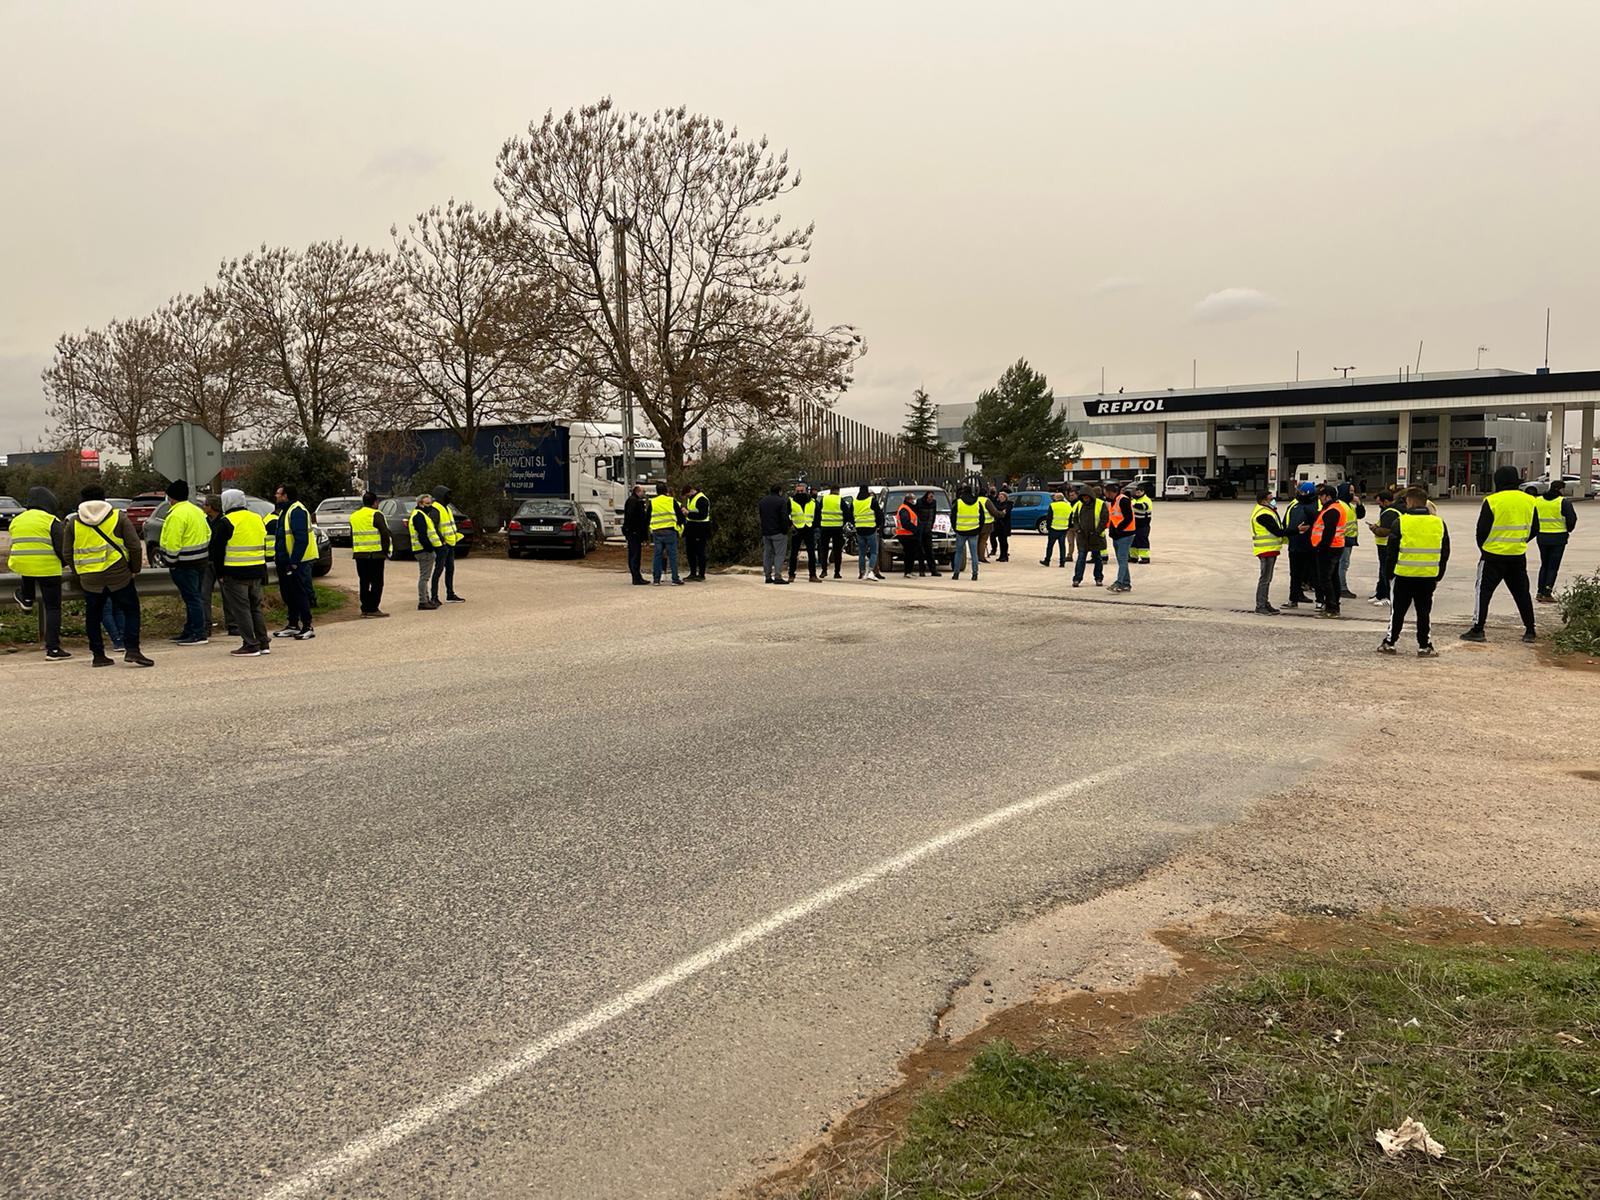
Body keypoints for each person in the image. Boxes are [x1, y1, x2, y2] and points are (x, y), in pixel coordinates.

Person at [68, 484, 151, 667]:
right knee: (131, 610)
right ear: (104, 498)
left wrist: (79, 572)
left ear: (82, 500)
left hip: (90, 579)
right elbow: (135, 546)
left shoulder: (74, 522)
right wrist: (134, 569)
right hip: (119, 575)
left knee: (93, 616)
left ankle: (98, 656)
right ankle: (132, 650)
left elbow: (67, 552)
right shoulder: (118, 517)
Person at [1460, 464, 1539, 643]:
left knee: (1483, 592)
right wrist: (1520, 540)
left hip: (1492, 556)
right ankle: (1530, 630)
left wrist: (1485, 549)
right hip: (1517, 555)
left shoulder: (1492, 500)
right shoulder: (1529, 500)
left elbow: (1481, 530)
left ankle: (1478, 629)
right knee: (1522, 593)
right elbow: (1535, 528)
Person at [1377, 486, 1449, 657]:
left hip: (1403, 574)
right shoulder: (1439, 523)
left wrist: (1388, 574)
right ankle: (1424, 645)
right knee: (1424, 611)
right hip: (1428, 575)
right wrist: (1439, 574)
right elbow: (1445, 552)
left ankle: (1390, 642)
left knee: (1398, 611)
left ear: (1409, 501)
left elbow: (1391, 552)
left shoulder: (1401, 522)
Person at [7, 486, 71, 661]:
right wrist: (65, 563)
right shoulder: (51, 521)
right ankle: (53, 649)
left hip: (23, 565)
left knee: (28, 571)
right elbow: (61, 548)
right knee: (53, 608)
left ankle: (27, 599)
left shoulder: (17, 520)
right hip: (48, 569)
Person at [211, 488, 271, 656]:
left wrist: (220, 573)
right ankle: (263, 642)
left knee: (241, 609)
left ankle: (250, 644)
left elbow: (217, 551)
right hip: (257, 570)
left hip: (235, 573)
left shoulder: (226, 521)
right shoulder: (257, 519)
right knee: (255, 608)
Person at [159, 478, 213, 645]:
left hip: (183, 563)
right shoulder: (196, 510)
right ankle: (190, 630)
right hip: (200, 561)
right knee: (194, 596)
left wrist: (170, 560)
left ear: (172, 497)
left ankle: (198, 633)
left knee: (192, 598)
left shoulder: (176, 515)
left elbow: (174, 541)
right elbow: (208, 533)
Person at [272, 484, 317, 639]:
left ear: (286, 496)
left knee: (299, 593)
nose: (276, 496)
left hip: (297, 561)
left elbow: (301, 539)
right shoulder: (285, 511)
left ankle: (307, 625)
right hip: (284, 561)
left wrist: (294, 561)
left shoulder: (297, 511)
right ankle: (292, 624)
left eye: (278, 493)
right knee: (288, 594)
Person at [1534, 479, 1578, 603]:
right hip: (1558, 538)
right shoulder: (1563, 502)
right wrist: (1568, 530)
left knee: (1544, 564)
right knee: (1553, 567)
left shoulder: (1538, 501)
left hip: (1542, 537)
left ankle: (1539, 591)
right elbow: (1572, 519)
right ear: (1560, 489)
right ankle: (1547, 592)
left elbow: (1532, 518)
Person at [349, 490, 392, 616]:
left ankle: (365, 607)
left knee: (364, 581)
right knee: (377, 582)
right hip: (375, 554)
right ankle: (373, 608)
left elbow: (352, 535)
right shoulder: (376, 514)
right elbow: (385, 533)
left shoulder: (354, 516)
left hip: (359, 554)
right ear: (375, 503)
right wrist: (385, 550)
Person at [1309, 484, 1346, 618]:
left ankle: (1332, 608)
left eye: (1321, 495)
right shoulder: (1333, 508)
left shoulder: (1332, 511)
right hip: (1335, 547)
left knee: (1325, 579)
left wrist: (1321, 548)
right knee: (1333, 577)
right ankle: (1334, 604)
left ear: (1328, 496)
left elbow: (1328, 532)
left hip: (1329, 548)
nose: (1319, 498)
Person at [199, 494, 232, 636]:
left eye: (205, 505)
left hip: (223, 563)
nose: (203, 507)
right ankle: (206, 625)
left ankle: (232, 625)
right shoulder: (203, 521)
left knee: (228, 595)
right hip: (206, 562)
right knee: (204, 595)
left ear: (212, 507)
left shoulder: (224, 522)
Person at [1248, 492, 1287, 615]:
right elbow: (1277, 531)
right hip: (1266, 550)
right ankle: (1260, 605)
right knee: (1265, 579)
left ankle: (1264, 602)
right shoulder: (1263, 514)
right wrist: (1297, 530)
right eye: (1271, 499)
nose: (1273, 501)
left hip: (1270, 549)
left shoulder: (1265, 510)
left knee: (1267, 578)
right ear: (1264, 501)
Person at [1282, 482, 1318, 609]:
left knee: (1315, 574)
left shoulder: (1316, 506)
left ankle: (1320, 601)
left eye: (1301, 492)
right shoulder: (1295, 505)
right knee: (1295, 574)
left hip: (1310, 545)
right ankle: (1294, 598)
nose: (1299, 494)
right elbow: (1286, 521)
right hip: (1295, 545)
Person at [427, 485, 465, 605]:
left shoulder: (446, 508)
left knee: (450, 569)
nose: (449, 497)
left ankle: (450, 593)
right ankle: (434, 596)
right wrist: (441, 540)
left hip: (450, 543)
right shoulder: (435, 509)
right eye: (447, 494)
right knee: (438, 570)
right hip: (442, 545)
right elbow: (432, 526)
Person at [1070, 482, 1107, 587]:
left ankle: (1098, 578)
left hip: (1096, 536)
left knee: (1097, 558)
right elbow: (1075, 518)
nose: (1085, 499)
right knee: (1081, 558)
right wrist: (1078, 530)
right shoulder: (1078, 505)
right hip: (1083, 537)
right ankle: (1077, 579)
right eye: (1084, 497)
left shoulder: (1100, 504)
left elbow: (1104, 519)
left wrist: (1098, 531)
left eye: (1087, 497)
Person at [410, 494, 443, 609]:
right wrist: (430, 548)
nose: (430, 506)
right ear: (420, 504)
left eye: (431, 503)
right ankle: (423, 601)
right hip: (423, 550)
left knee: (425, 576)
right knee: (424, 577)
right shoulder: (419, 516)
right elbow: (422, 535)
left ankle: (426, 599)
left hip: (421, 550)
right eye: (427, 504)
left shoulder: (421, 514)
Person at [1104, 481, 1136, 593]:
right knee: (1121, 560)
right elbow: (1114, 518)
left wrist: (1118, 529)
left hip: (1125, 534)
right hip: (1118, 535)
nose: (1105, 495)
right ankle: (1126, 584)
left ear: (1110, 492)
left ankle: (1119, 583)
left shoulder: (1123, 500)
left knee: (1122, 560)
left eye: (1106, 493)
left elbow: (1128, 518)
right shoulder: (1113, 501)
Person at [649, 487, 685, 585]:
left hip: (657, 531)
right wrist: (679, 524)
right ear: (666, 492)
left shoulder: (653, 502)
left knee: (657, 555)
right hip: (670, 531)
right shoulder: (671, 500)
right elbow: (680, 516)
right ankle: (675, 579)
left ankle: (656, 579)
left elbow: (647, 516)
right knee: (672, 556)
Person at [1335, 482, 1365, 599]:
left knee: (1343, 564)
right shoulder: (1340, 505)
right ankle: (1342, 587)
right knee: (1343, 565)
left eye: (1353, 491)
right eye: (1350, 491)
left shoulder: (1350, 505)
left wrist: (1359, 503)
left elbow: (1360, 515)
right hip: (1343, 539)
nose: (1352, 494)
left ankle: (1340, 586)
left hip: (1349, 539)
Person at [849, 484, 884, 580]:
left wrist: (855, 524)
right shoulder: (871, 501)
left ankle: (861, 572)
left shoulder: (855, 502)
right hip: (871, 529)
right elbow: (879, 514)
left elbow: (850, 515)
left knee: (861, 553)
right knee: (873, 552)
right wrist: (877, 525)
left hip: (859, 530)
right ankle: (871, 571)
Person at [1366, 491, 1395, 607]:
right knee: (1382, 570)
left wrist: (1374, 529)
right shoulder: (1386, 511)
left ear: (1386, 501)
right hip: (1382, 545)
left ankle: (1388, 596)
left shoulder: (1390, 513)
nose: (1379, 505)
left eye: (1380, 503)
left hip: (1386, 545)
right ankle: (1380, 593)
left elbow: (1386, 531)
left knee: (1386, 571)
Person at [758, 483, 790, 584]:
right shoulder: (781, 501)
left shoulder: (763, 501)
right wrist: (786, 530)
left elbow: (761, 516)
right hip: (778, 532)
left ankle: (767, 576)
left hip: (766, 532)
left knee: (767, 554)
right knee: (779, 555)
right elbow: (784, 518)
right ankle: (778, 576)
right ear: (780, 491)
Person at [950, 484, 983, 581]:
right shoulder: (977, 502)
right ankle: (975, 574)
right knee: (974, 554)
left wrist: (955, 528)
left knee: (959, 553)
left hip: (961, 531)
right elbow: (982, 518)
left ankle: (956, 574)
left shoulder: (958, 502)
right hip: (974, 531)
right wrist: (978, 529)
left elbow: (953, 517)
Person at [788, 482, 819, 582]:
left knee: (811, 553)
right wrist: (790, 525)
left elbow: (817, 516)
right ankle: (791, 575)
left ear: (806, 491)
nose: (800, 493)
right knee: (794, 553)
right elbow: (785, 514)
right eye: (798, 491)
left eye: (802, 491)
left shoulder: (812, 502)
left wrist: (814, 526)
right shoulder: (791, 501)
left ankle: (813, 575)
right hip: (797, 529)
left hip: (809, 528)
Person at [682, 483, 711, 582]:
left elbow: (702, 515)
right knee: (690, 552)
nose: (687, 497)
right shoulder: (691, 498)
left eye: (687, 495)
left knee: (700, 552)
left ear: (691, 490)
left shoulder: (702, 499)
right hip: (691, 528)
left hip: (700, 529)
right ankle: (693, 573)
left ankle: (701, 574)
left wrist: (688, 513)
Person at [815, 487, 846, 580]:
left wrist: (819, 525)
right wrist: (844, 523)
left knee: (824, 550)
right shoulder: (840, 499)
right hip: (837, 528)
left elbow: (818, 512)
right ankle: (837, 572)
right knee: (837, 551)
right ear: (838, 491)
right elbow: (846, 512)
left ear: (830, 491)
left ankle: (824, 571)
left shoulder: (824, 499)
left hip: (825, 527)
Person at [622, 484, 649, 585]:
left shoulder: (632, 501)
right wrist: (633, 530)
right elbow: (634, 517)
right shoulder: (634, 502)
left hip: (632, 531)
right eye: (643, 492)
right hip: (634, 532)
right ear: (638, 491)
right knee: (635, 554)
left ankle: (636, 576)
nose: (644, 494)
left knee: (634, 553)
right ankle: (636, 577)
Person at [1040, 491, 1072, 568]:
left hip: (1054, 528)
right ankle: (1062, 562)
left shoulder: (1053, 505)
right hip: (1064, 528)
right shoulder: (1068, 505)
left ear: (1057, 498)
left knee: (1050, 546)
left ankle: (1047, 560)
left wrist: (1048, 527)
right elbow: (1071, 517)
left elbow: (1049, 517)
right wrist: (1069, 526)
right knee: (1062, 546)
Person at [894, 493, 922, 577]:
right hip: (905, 535)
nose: (914, 500)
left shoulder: (909, 508)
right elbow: (905, 523)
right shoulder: (904, 509)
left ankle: (909, 571)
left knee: (911, 553)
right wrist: (915, 529)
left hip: (909, 534)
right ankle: (907, 572)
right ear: (908, 500)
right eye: (913, 499)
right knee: (909, 554)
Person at [916, 490, 942, 577]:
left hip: (928, 529)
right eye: (930, 497)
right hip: (920, 530)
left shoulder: (934, 503)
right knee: (920, 551)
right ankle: (921, 570)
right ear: (926, 497)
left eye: (932, 497)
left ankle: (933, 570)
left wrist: (931, 526)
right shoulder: (919, 502)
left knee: (930, 551)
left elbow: (934, 515)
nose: (931, 499)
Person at [1129, 482, 1153, 564]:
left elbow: (1143, 507)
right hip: (1134, 524)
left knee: (1142, 540)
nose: (1138, 493)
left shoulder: (1147, 500)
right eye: (1137, 492)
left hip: (1143, 525)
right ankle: (1133, 557)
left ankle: (1145, 558)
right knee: (1133, 541)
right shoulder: (1135, 499)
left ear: (1143, 492)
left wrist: (1133, 504)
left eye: (1140, 492)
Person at [988, 489, 1013, 562]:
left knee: (1004, 541)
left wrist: (999, 512)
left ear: (1005, 497)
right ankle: (1001, 555)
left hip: (1005, 525)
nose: (1000, 497)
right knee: (1000, 540)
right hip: (998, 525)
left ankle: (1005, 556)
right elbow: (996, 511)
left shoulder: (1008, 504)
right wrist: (1000, 512)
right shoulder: (997, 503)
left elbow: (1005, 513)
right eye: (999, 496)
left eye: (1002, 496)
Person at [977, 486, 995, 564]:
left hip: (976, 523)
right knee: (983, 541)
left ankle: (976, 556)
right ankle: (981, 557)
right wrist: (1001, 514)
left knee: (977, 540)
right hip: (986, 524)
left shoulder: (975, 500)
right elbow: (993, 511)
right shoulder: (986, 501)